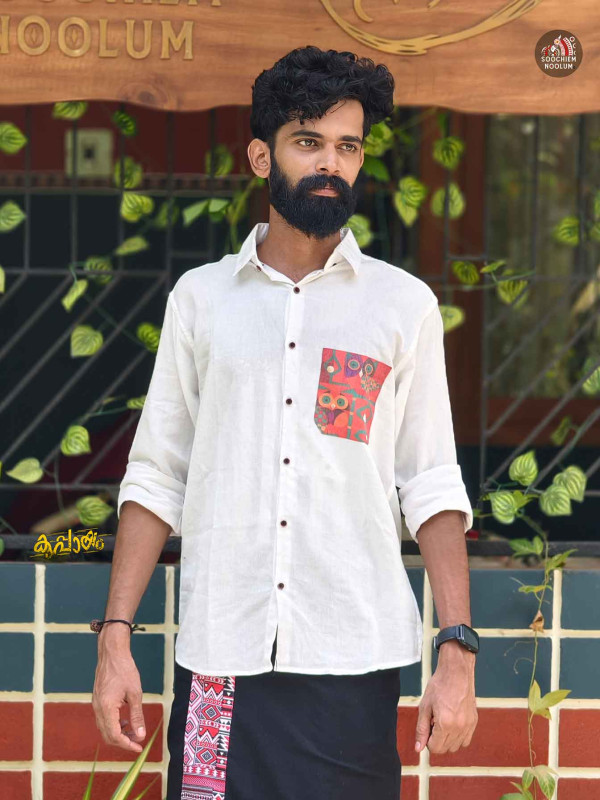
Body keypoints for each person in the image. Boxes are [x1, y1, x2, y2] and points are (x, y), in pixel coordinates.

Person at [92, 45, 479, 799]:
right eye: (309, 141)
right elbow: (157, 474)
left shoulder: (402, 307)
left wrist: (457, 648)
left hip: (353, 659)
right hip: (218, 656)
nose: (330, 163)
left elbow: (430, 481)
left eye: (348, 146)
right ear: (262, 155)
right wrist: (115, 638)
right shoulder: (201, 300)